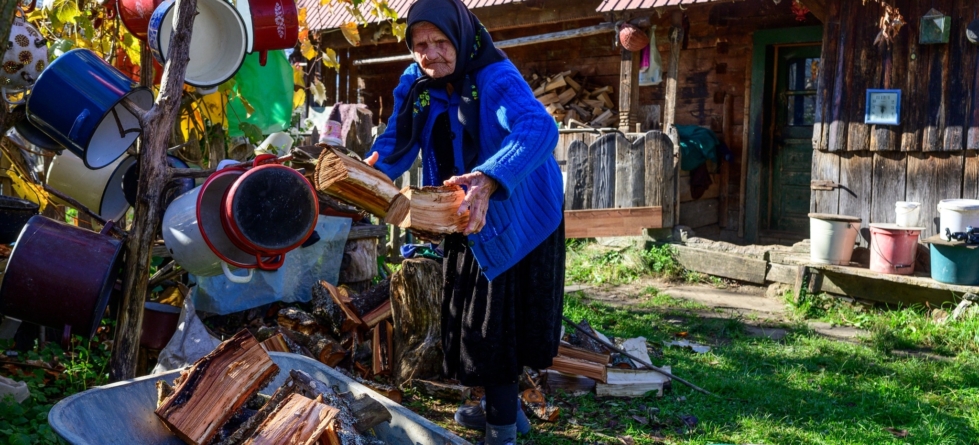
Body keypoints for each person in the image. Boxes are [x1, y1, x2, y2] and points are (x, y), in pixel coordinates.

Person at [364, 0, 565, 443]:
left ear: (460, 37)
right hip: (463, 212)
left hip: (516, 214)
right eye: (420, 45)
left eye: (440, 42)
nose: (431, 54)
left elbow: (538, 127)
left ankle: (501, 431)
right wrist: (364, 174)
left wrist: (491, 178)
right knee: (470, 322)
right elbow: (397, 139)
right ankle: (509, 413)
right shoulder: (417, 82)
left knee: (495, 327)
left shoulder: (495, 77)